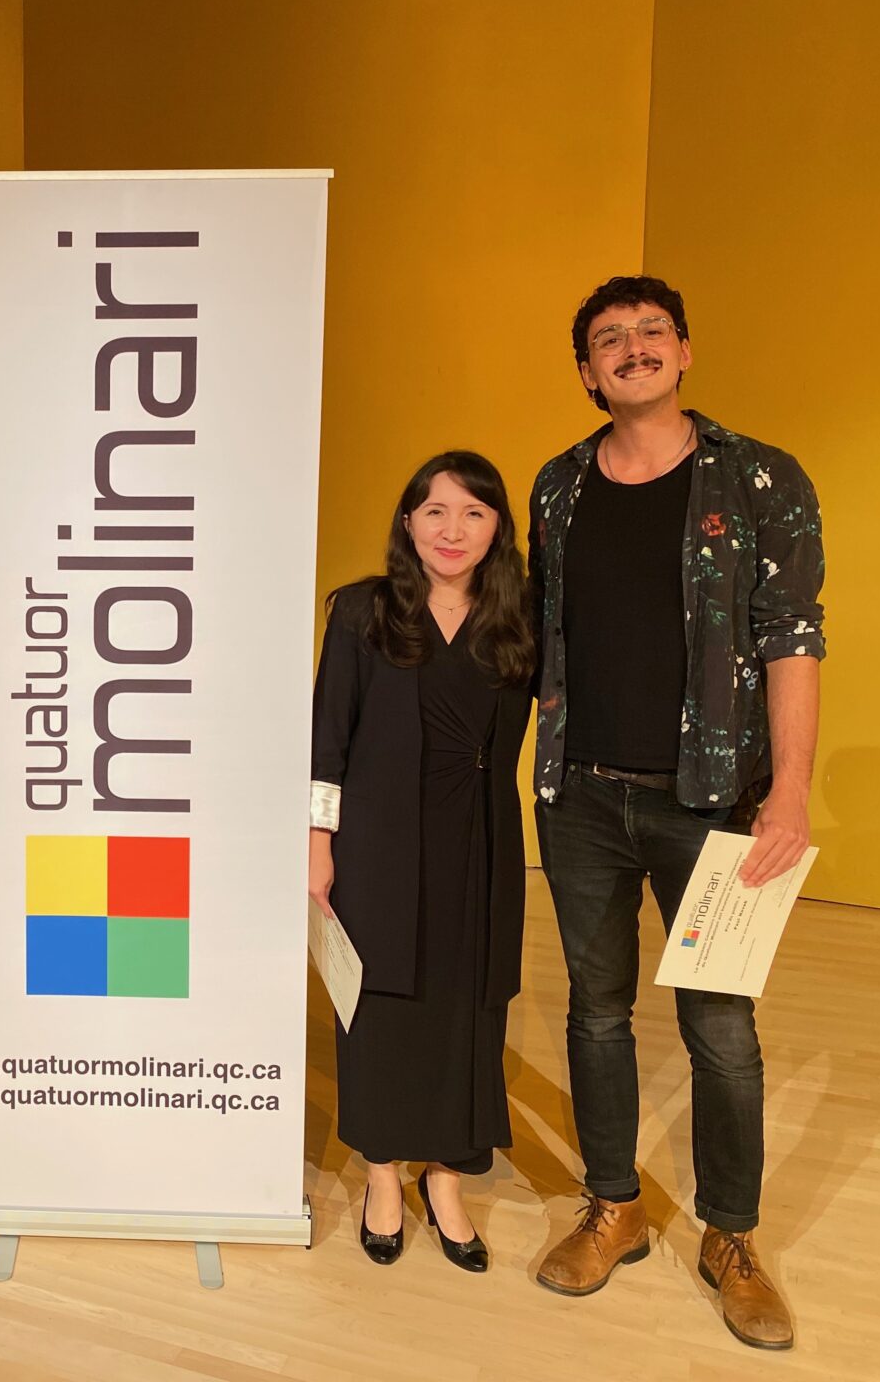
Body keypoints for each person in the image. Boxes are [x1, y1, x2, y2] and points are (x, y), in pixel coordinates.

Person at [527, 277, 824, 1350]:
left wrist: (790, 791)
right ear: (588, 371)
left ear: (685, 351)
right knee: (596, 1011)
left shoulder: (760, 477)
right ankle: (612, 1206)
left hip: (713, 802)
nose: (634, 348)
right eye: (610, 339)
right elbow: (541, 635)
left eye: (653, 331)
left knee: (721, 1030)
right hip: (580, 798)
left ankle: (730, 1236)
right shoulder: (558, 486)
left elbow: (793, 636)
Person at [309, 451, 535, 1273]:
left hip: (479, 840)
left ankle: (445, 1180)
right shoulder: (362, 611)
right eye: (435, 511)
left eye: (474, 512)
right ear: (408, 522)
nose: (452, 529)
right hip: (376, 840)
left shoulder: (520, 618)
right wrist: (317, 844)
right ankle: (381, 1174)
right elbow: (327, 738)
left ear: (497, 529)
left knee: (468, 1008)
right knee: (378, 1008)